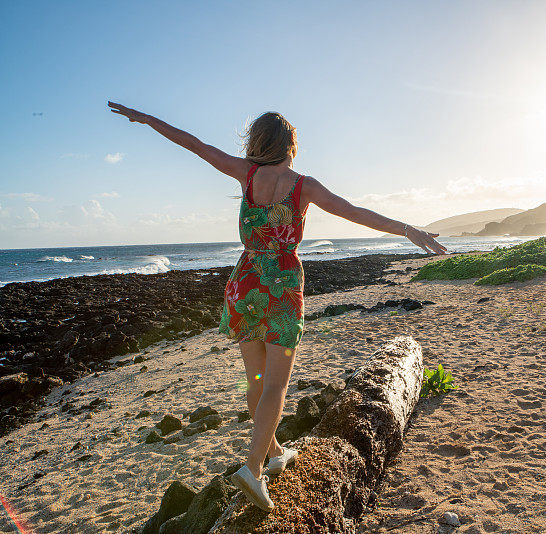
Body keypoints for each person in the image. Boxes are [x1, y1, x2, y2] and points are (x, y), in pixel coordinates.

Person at [108, 102, 447, 511]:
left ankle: (273, 454)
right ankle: (252, 469)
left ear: (258, 142)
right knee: (275, 385)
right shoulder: (303, 185)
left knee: (256, 381)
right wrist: (408, 230)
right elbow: (355, 213)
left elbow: (192, 143)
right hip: (281, 287)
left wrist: (145, 119)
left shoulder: (245, 173)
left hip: (245, 281)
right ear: (291, 144)